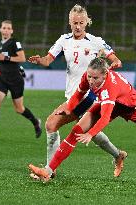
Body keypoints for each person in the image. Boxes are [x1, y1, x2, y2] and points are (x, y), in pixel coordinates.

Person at [28, 4, 126, 177]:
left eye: (81, 22)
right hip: (73, 95)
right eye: (75, 23)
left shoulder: (96, 41)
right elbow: (48, 60)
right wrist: (39, 61)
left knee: (51, 124)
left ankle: (50, 171)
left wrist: (115, 62)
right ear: (70, 22)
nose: (78, 26)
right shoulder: (63, 40)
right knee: (92, 133)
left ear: (86, 22)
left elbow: (115, 59)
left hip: (89, 96)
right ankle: (118, 155)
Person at [0, 20, 42, 144]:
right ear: (0, 29)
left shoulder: (15, 42)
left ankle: (35, 122)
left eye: (8, 28)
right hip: (2, 78)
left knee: (19, 109)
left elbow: (22, 58)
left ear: (11, 31)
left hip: (15, 80)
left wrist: (7, 58)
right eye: (4, 28)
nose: (6, 30)